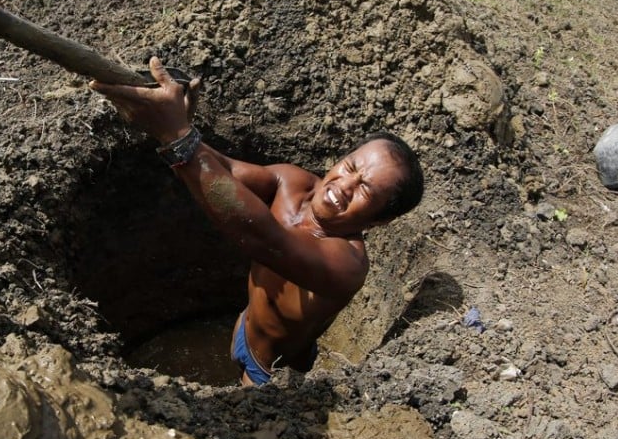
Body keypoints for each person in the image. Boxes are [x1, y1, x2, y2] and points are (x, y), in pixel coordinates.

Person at [90, 57, 424, 386]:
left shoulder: (346, 265)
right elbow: (229, 171)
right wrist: (182, 127)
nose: (345, 186)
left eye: (365, 190)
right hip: (245, 324)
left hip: (270, 371)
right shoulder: (293, 182)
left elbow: (265, 238)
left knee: (247, 425)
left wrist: (176, 135)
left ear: (381, 221)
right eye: (351, 168)